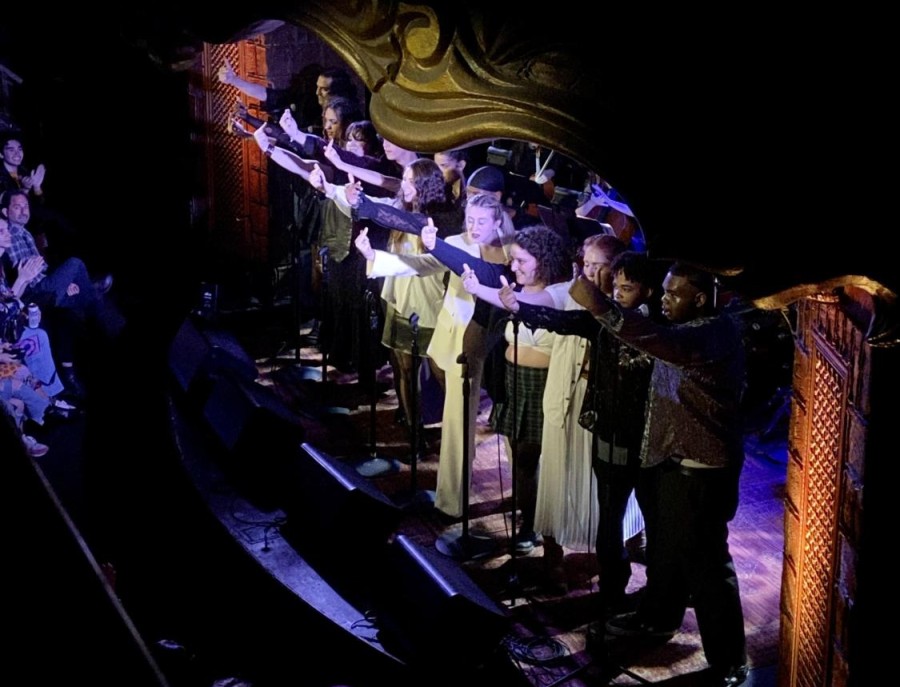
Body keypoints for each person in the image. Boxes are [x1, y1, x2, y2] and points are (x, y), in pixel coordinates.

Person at [569, 261, 749, 687]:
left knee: (706, 566)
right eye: (663, 292)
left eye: (674, 294)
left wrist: (600, 305)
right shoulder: (684, 326)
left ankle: (729, 662)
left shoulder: (712, 333)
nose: (663, 300)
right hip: (671, 460)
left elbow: (663, 342)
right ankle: (656, 617)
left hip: (701, 470)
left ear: (701, 299)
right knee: (666, 549)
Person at [502, 242, 656, 608]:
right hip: (564, 402)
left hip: (601, 412)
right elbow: (556, 315)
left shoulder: (627, 311)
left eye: (598, 266)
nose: (589, 273)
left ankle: (624, 554)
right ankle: (552, 562)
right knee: (555, 478)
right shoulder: (571, 295)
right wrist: (517, 305)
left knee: (606, 492)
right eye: (584, 264)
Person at [456, 225, 573, 554]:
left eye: (522, 261)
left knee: (539, 459)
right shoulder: (517, 291)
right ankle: (528, 522)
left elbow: (529, 303)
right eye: (513, 261)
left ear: (543, 261)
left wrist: (481, 289)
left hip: (544, 388)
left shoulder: (561, 292)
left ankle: (552, 542)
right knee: (519, 458)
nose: (514, 267)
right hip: (514, 380)